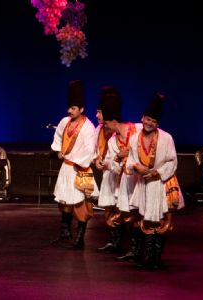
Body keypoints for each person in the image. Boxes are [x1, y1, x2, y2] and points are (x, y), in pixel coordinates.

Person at [125, 93, 184, 269]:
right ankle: (147, 256)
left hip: (159, 183)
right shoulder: (135, 138)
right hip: (143, 182)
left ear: (158, 124)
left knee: (159, 220)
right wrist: (136, 167)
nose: (149, 123)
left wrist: (156, 173)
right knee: (145, 218)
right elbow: (130, 159)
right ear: (142, 118)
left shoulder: (166, 138)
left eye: (154, 121)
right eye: (148, 119)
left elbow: (172, 161)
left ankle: (156, 258)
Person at [50, 80, 97, 249]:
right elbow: (58, 138)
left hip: (81, 169)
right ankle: (65, 233)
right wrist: (58, 151)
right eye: (69, 108)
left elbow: (90, 150)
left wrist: (78, 161)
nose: (69, 111)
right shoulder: (64, 122)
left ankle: (80, 239)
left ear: (82, 109)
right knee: (65, 201)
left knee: (81, 204)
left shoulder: (88, 127)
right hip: (66, 168)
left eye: (73, 108)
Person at [96, 90, 143, 257]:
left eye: (106, 123)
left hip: (140, 179)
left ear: (114, 121)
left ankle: (138, 249)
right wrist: (113, 159)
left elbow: (149, 146)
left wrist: (129, 153)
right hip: (124, 181)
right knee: (127, 214)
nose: (104, 126)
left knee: (139, 215)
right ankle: (131, 248)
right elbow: (113, 166)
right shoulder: (112, 141)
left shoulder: (137, 129)